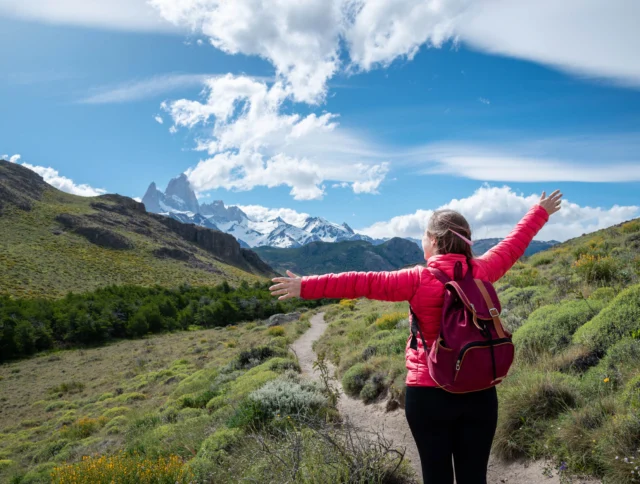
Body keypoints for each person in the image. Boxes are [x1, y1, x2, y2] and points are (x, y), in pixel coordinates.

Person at [269, 190, 563, 484]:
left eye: (424, 235)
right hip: (479, 390)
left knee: (436, 476)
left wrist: (305, 286)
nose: (422, 241)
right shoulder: (483, 271)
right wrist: (540, 211)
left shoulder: (416, 279)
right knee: (474, 477)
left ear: (434, 240)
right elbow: (514, 243)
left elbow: (360, 282)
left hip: (428, 392)